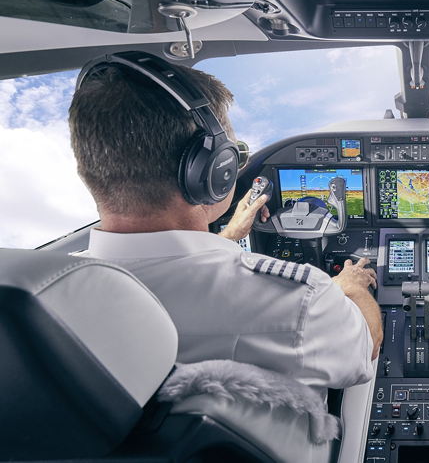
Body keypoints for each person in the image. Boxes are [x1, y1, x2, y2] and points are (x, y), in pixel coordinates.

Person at [69, 54, 382, 394]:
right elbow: (367, 348)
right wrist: (351, 287)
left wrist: (228, 236)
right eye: (235, 152)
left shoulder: (43, 294)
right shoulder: (300, 300)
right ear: (213, 171)